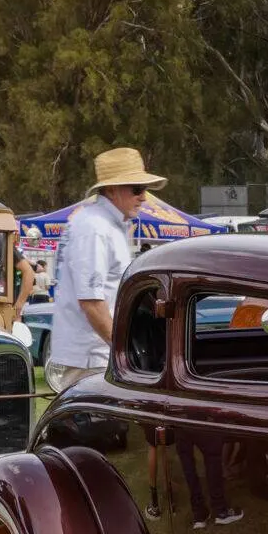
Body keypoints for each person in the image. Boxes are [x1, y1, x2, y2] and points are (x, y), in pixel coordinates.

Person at [45, 147, 165, 392]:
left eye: (144, 190)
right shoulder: (94, 228)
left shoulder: (108, 225)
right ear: (112, 190)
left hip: (99, 355)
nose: (143, 197)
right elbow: (91, 302)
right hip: (91, 360)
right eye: (137, 189)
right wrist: (125, 351)